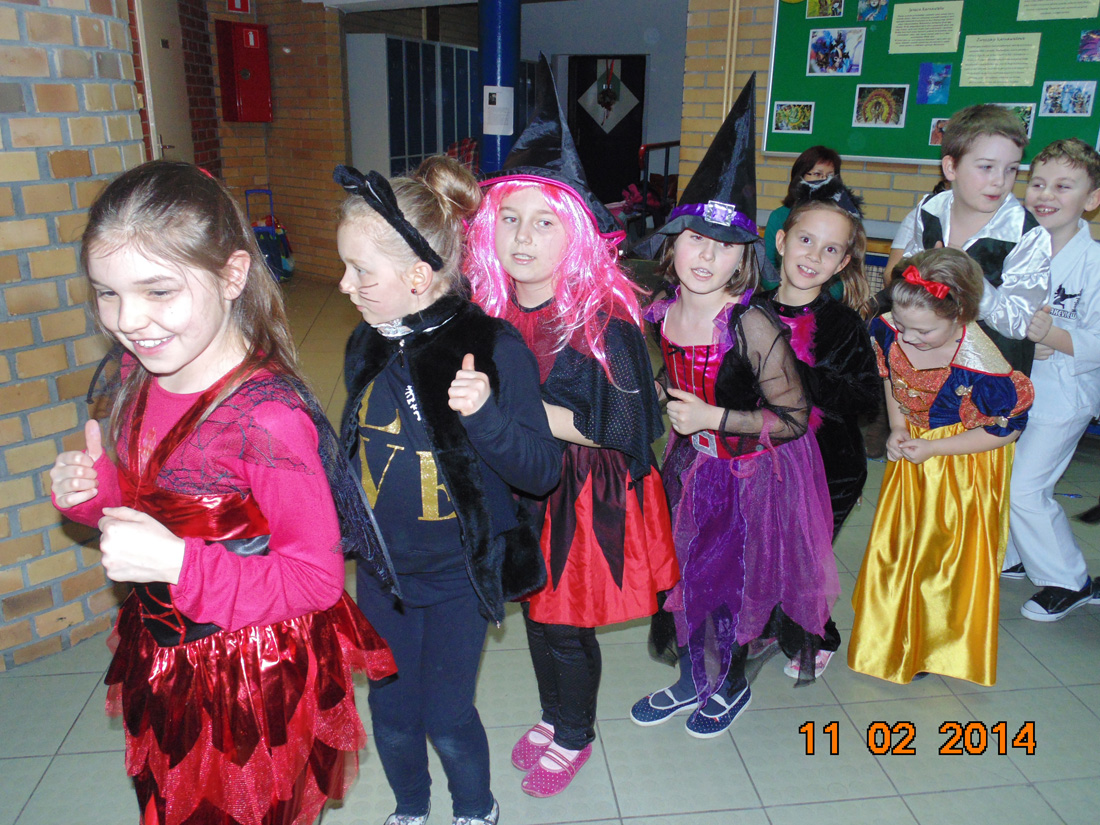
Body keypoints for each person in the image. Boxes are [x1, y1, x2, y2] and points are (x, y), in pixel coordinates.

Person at [50, 160, 397, 825]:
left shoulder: (266, 419)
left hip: (247, 675)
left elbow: (316, 580)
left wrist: (177, 563)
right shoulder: (136, 375)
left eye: (158, 290)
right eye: (107, 293)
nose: (129, 320)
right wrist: (92, 496)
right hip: (164, 655)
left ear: (233, 275)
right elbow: (148, 506)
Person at [464, 56, 678, 797]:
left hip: (583, 497)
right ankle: (555, 715)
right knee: (536, 614)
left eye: (544, 222)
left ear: (578, 233)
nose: (523, 237)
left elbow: (624, 427)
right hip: (522, 482)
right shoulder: (492, 308)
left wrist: (506, 409)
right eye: (510, 219)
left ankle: (576, 732)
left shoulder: (604, 319)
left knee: (564, 623)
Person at [335, 157, 562, 825]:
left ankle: (475, 806)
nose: (344, 284)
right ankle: (411, 806)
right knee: (391, 709)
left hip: (457, 574)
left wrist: (486, 416)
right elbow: (355, 452)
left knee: (446, 712)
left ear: (416, 276)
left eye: (359, 271)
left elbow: (541, 471)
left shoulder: (491, 347)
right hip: (382, 573)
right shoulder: (367, 342)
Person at [629, 76, 838, 738]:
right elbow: (672, 376)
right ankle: (692, 677)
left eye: (723, 247)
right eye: (695, 238)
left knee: (733, 584)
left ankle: (731, 683)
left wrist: (713, 418)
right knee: (684, 576)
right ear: (673, 243)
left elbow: (794, 418)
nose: (707, 255)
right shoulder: (663, 311)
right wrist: (659, 395)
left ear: (744, 258)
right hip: (688, 468)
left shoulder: (751, 325)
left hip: (750, 474)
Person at [848, 248, 1034, 686]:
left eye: (923, 331)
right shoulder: (890, 329)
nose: (909, 338)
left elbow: (1005, 432)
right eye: (902, 324)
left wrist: (936, 449)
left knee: (944, 555)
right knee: (902, 543)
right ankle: (893, 621)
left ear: (960, 315)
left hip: (963, 465)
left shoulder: (986, 369)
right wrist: (898, 426)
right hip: (917, 450)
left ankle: (935, 641)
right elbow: (892, 378)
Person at [760, 188, 879, 678]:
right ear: (782, 241)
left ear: (842, 263)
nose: (813, 255)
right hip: (764, 459)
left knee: (806, 555)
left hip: (829, 469)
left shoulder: (843, 325)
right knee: (766, 546)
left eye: (830, 249)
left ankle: (817, 634)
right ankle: (772, 620)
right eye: (806, 240)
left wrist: (797, 375)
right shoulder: (751, 309)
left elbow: (866, 400)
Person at [1003, 138, 1100, 619]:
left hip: (1063, 396)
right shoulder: (1016, 248)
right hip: (1013, 389)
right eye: (1038, 183)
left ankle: (1069, 579)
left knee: (1026, 488)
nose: (1046, 194)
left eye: (1064, 186)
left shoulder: (1095, 263)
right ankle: (1015, 555)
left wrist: (1051, 337)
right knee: (1004, 477)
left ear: (1092, 198)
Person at [902, 104, 1051, 374]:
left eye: (1011, 169)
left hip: (990, 372)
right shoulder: (930, 210)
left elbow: (1019, 323)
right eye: (986, 167)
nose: (1000, 181)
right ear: (951, 167)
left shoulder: (1026, 235)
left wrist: (971, 284)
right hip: (930, 361)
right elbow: (908, 273)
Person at [763, 145, 842, 272]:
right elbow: (767, 265)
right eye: (817, 174)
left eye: (830, 176)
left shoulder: (843, 220)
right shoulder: (779, 216)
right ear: (800, 177)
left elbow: (845, 271)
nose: (824, 181)